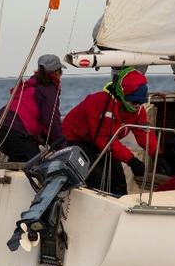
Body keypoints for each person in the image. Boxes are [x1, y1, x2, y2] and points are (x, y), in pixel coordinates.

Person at [62, 67, 159, 196]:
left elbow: (143, 133)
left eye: (141, 102)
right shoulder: (101, 103)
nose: (137, 105)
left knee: (119, 180)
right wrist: (132, 161)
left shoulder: (137, 110)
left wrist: (158, 154)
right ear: (123, 96)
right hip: (76, 140)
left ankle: (121, 200)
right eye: (135, 101)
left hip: (103, 142)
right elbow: (104, 138)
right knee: (98, 178)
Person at [0, 54, 67, 162]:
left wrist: (42, 139)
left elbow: (35, 120)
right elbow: (51, 120)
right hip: (13, 133)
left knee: (21, 157)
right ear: (57, 72)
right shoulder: (48, 90)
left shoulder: (30, 84)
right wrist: (62, 147)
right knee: (37, 164)